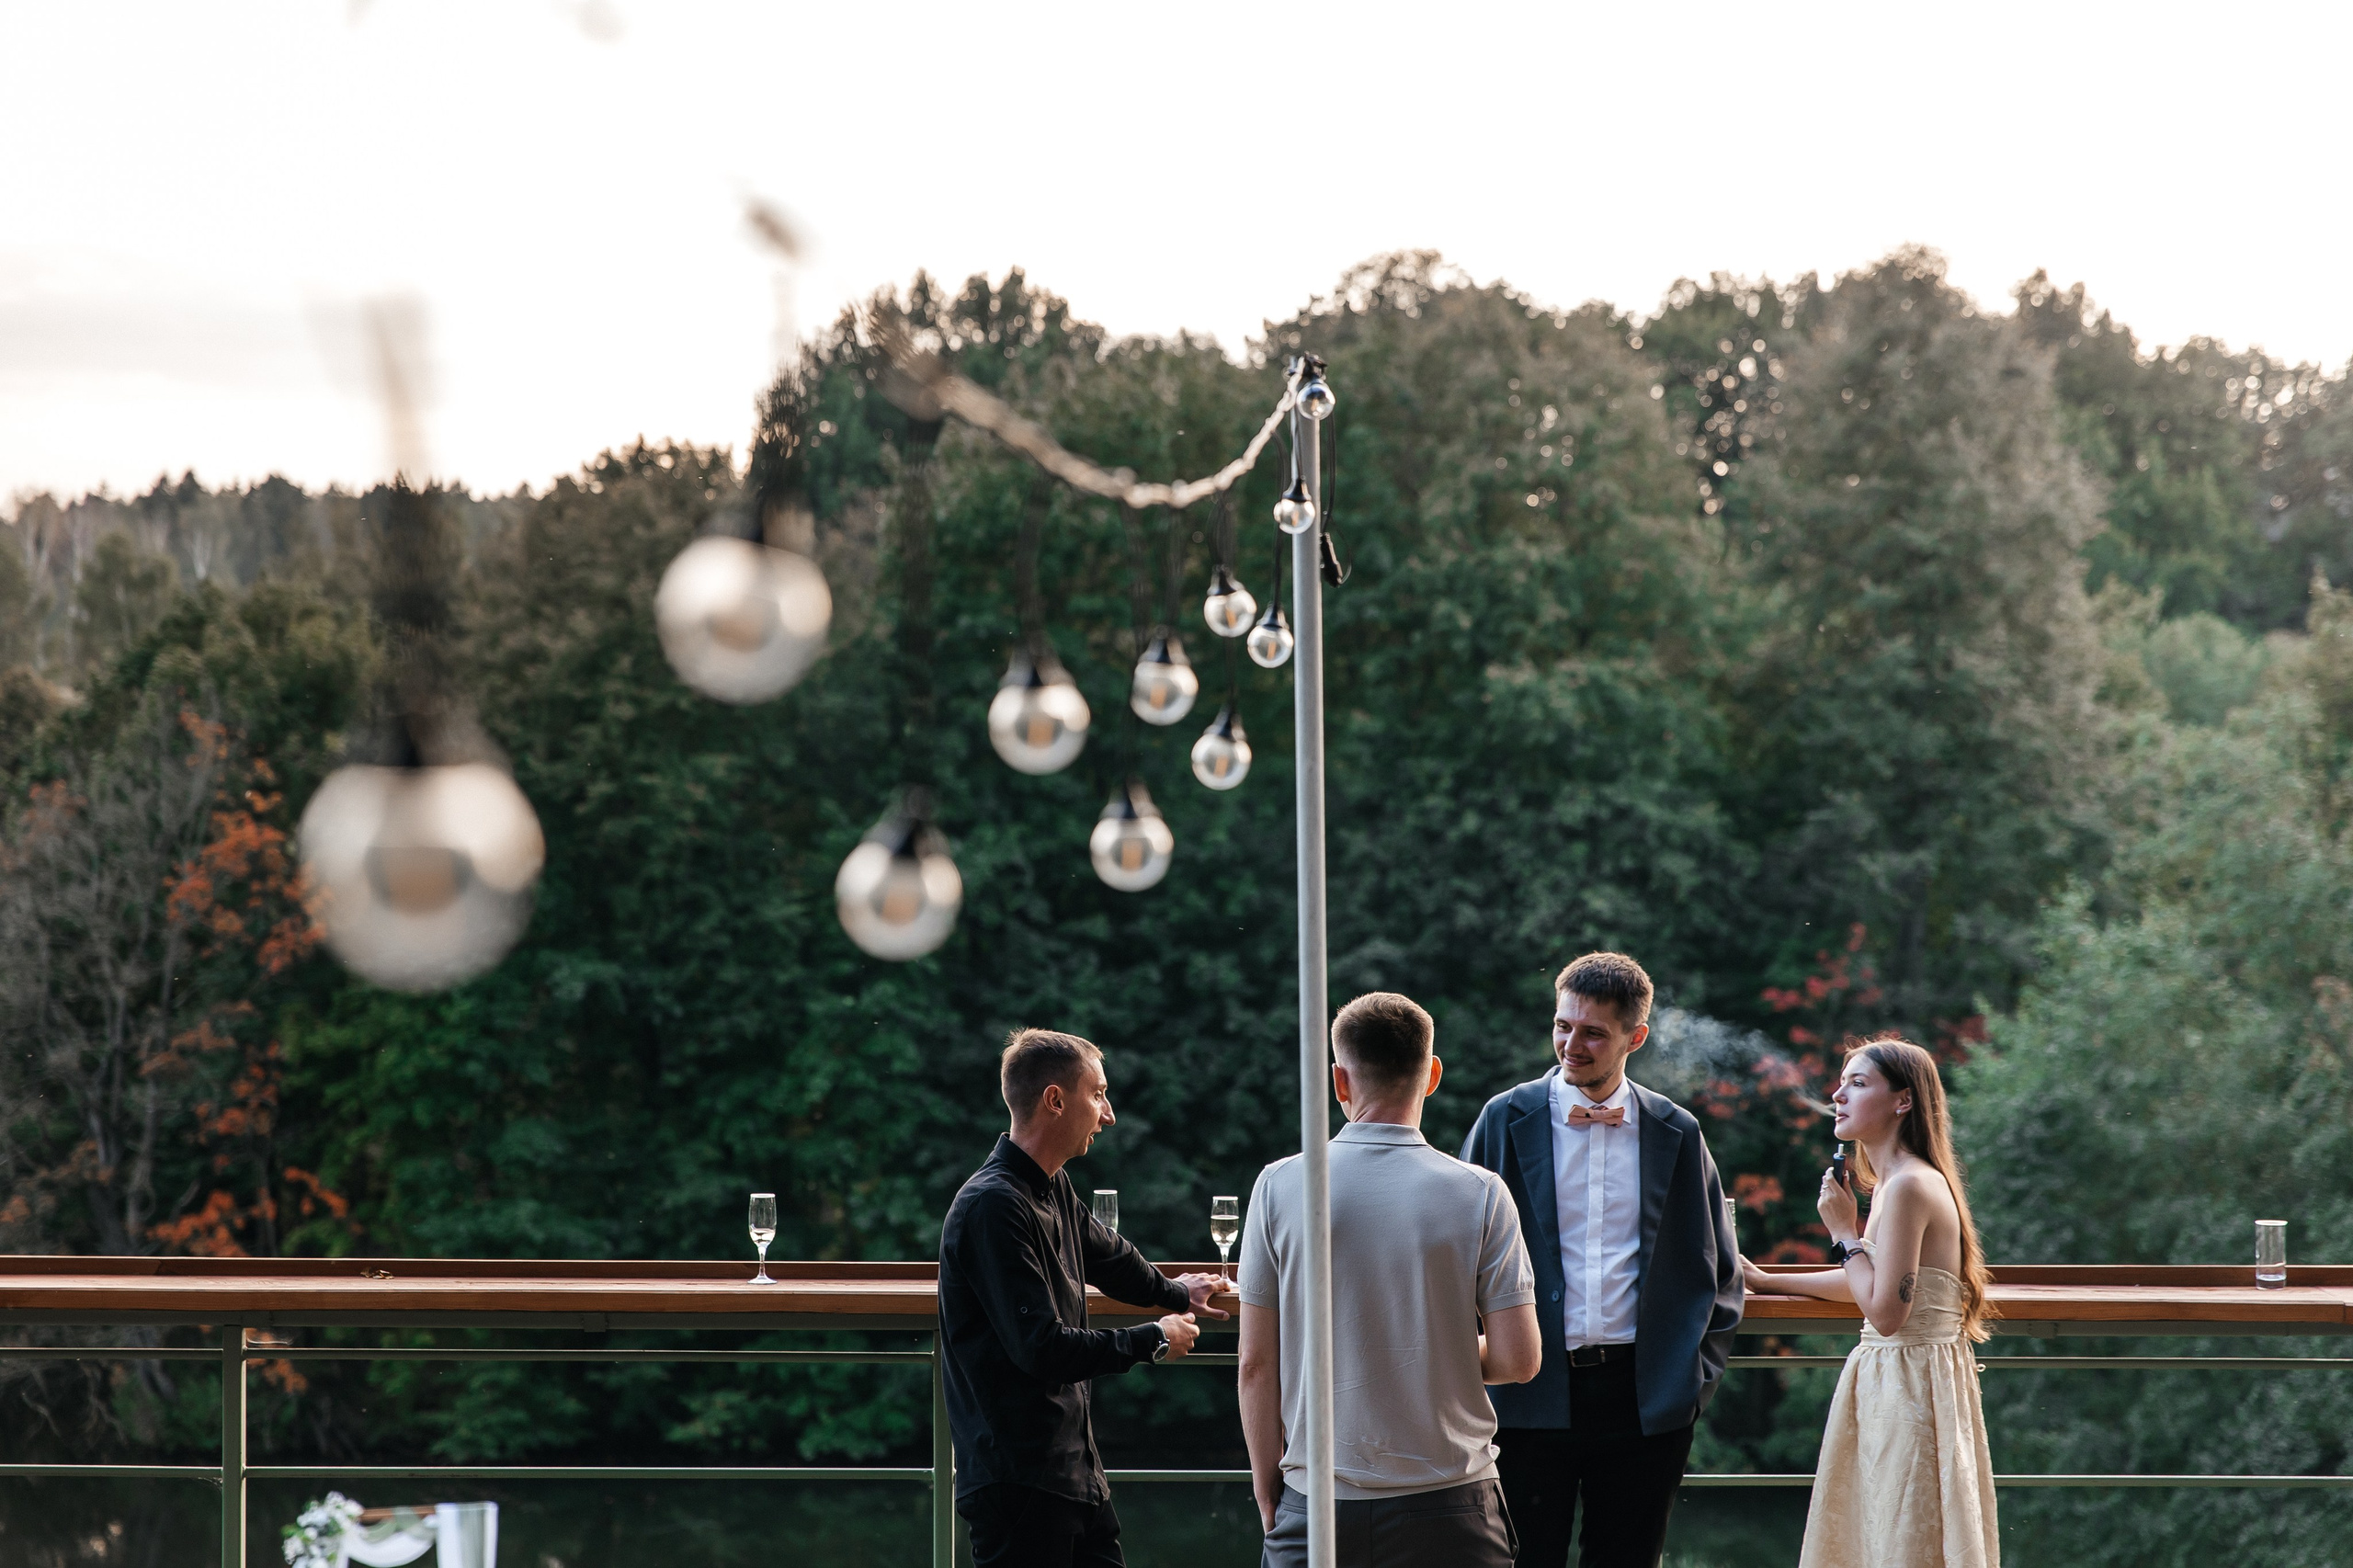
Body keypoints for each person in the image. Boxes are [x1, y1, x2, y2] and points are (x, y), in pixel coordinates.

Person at [1459, 951, 1744, 1568]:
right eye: (1563, 1025)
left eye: (1592, 1032)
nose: (1570, 1043)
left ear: (1634, 1037)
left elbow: (1720, 1271)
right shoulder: (1502, 1119)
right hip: (1525, 1390)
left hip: (1645, 1401)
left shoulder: (1676, 1130)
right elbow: (1456, 1257)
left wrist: (1691, 1383)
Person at [1238, 992, 1541, 1568]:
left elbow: (1257, 1363)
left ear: (1339, 1082)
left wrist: (1266, 1486)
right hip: (1453, 1510)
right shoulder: (1480, 1193)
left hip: (1319, 1505)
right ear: (1432, 1076)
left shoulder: (1280, 1187)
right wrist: (1433, 1348)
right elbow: (1519, 1360)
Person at [938, 1028, 1231, 1568]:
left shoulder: (1052, 1187)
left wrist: (1177, 1294)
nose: (1109, 1114)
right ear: (1054, 1100)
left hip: (1072, 1475)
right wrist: (1154, 1340)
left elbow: (1112, 1258)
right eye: (1097, 1093)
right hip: (1018, 1484)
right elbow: (1041, 1348)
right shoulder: (992, 1206)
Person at [1737, 1035, 1999, 1568]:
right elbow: (1875, 1284)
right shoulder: (1894, 1183)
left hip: (1909, 1386)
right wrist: (1766, 1282)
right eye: (1840, 1083)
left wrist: (1842, 1232)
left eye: (1857, 1084)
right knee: (1883, 1536)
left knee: (1902, 1538)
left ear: (1903, 1100)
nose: (1838, 1095)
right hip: (1901, 1380)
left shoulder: (1906, 1187)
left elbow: (1885, 1311)